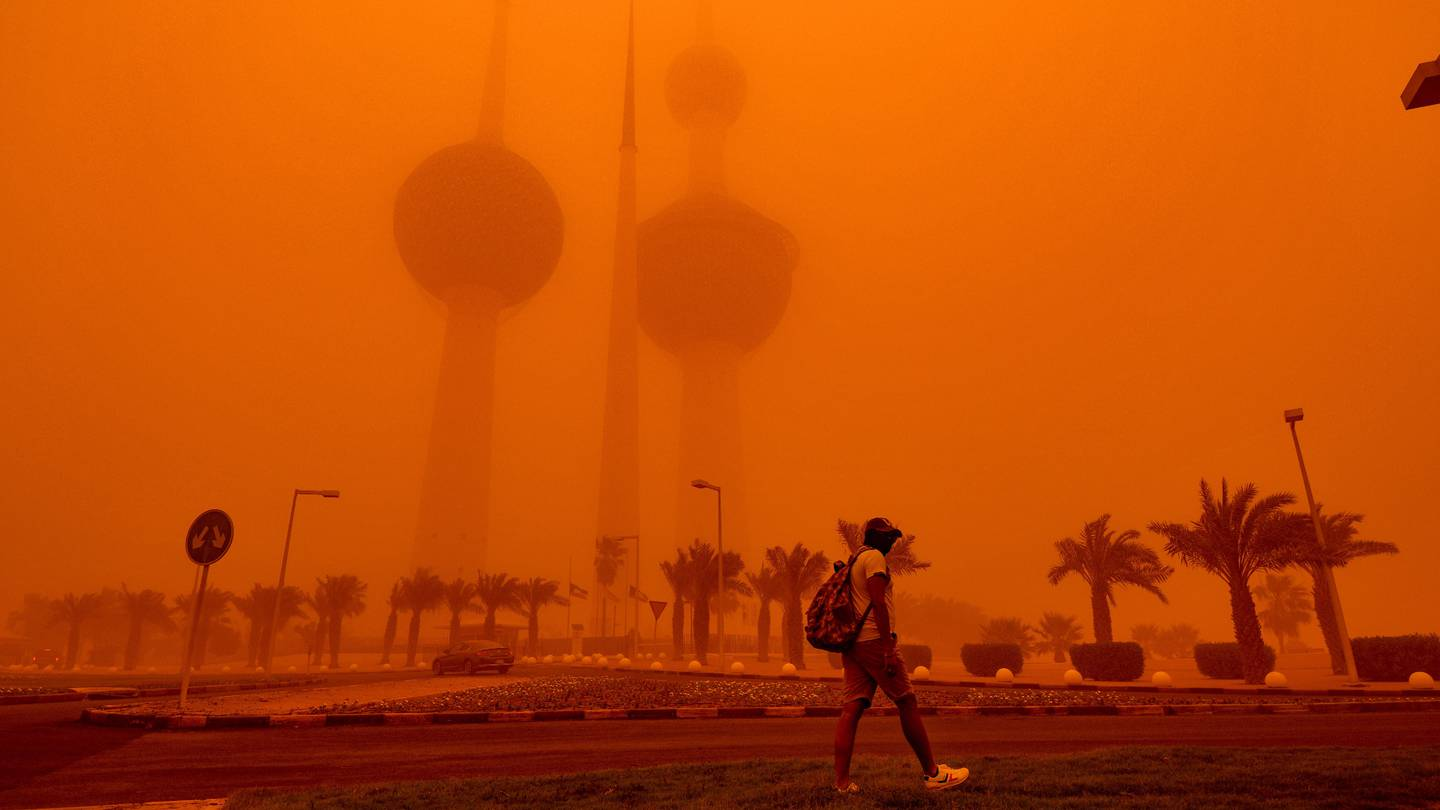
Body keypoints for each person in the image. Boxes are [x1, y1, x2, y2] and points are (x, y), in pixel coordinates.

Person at [834, 517, 969, 793]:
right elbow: (878, 602)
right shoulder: (873, 559)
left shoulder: (854, 559)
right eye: (887, 536)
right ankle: (933, 774)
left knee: (852, 709)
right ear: (872, 536)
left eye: (893, 536)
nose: (892, 541)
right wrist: (887, 647)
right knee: (907, 701)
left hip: (854, 645)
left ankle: (842, 783)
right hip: (874, 642)